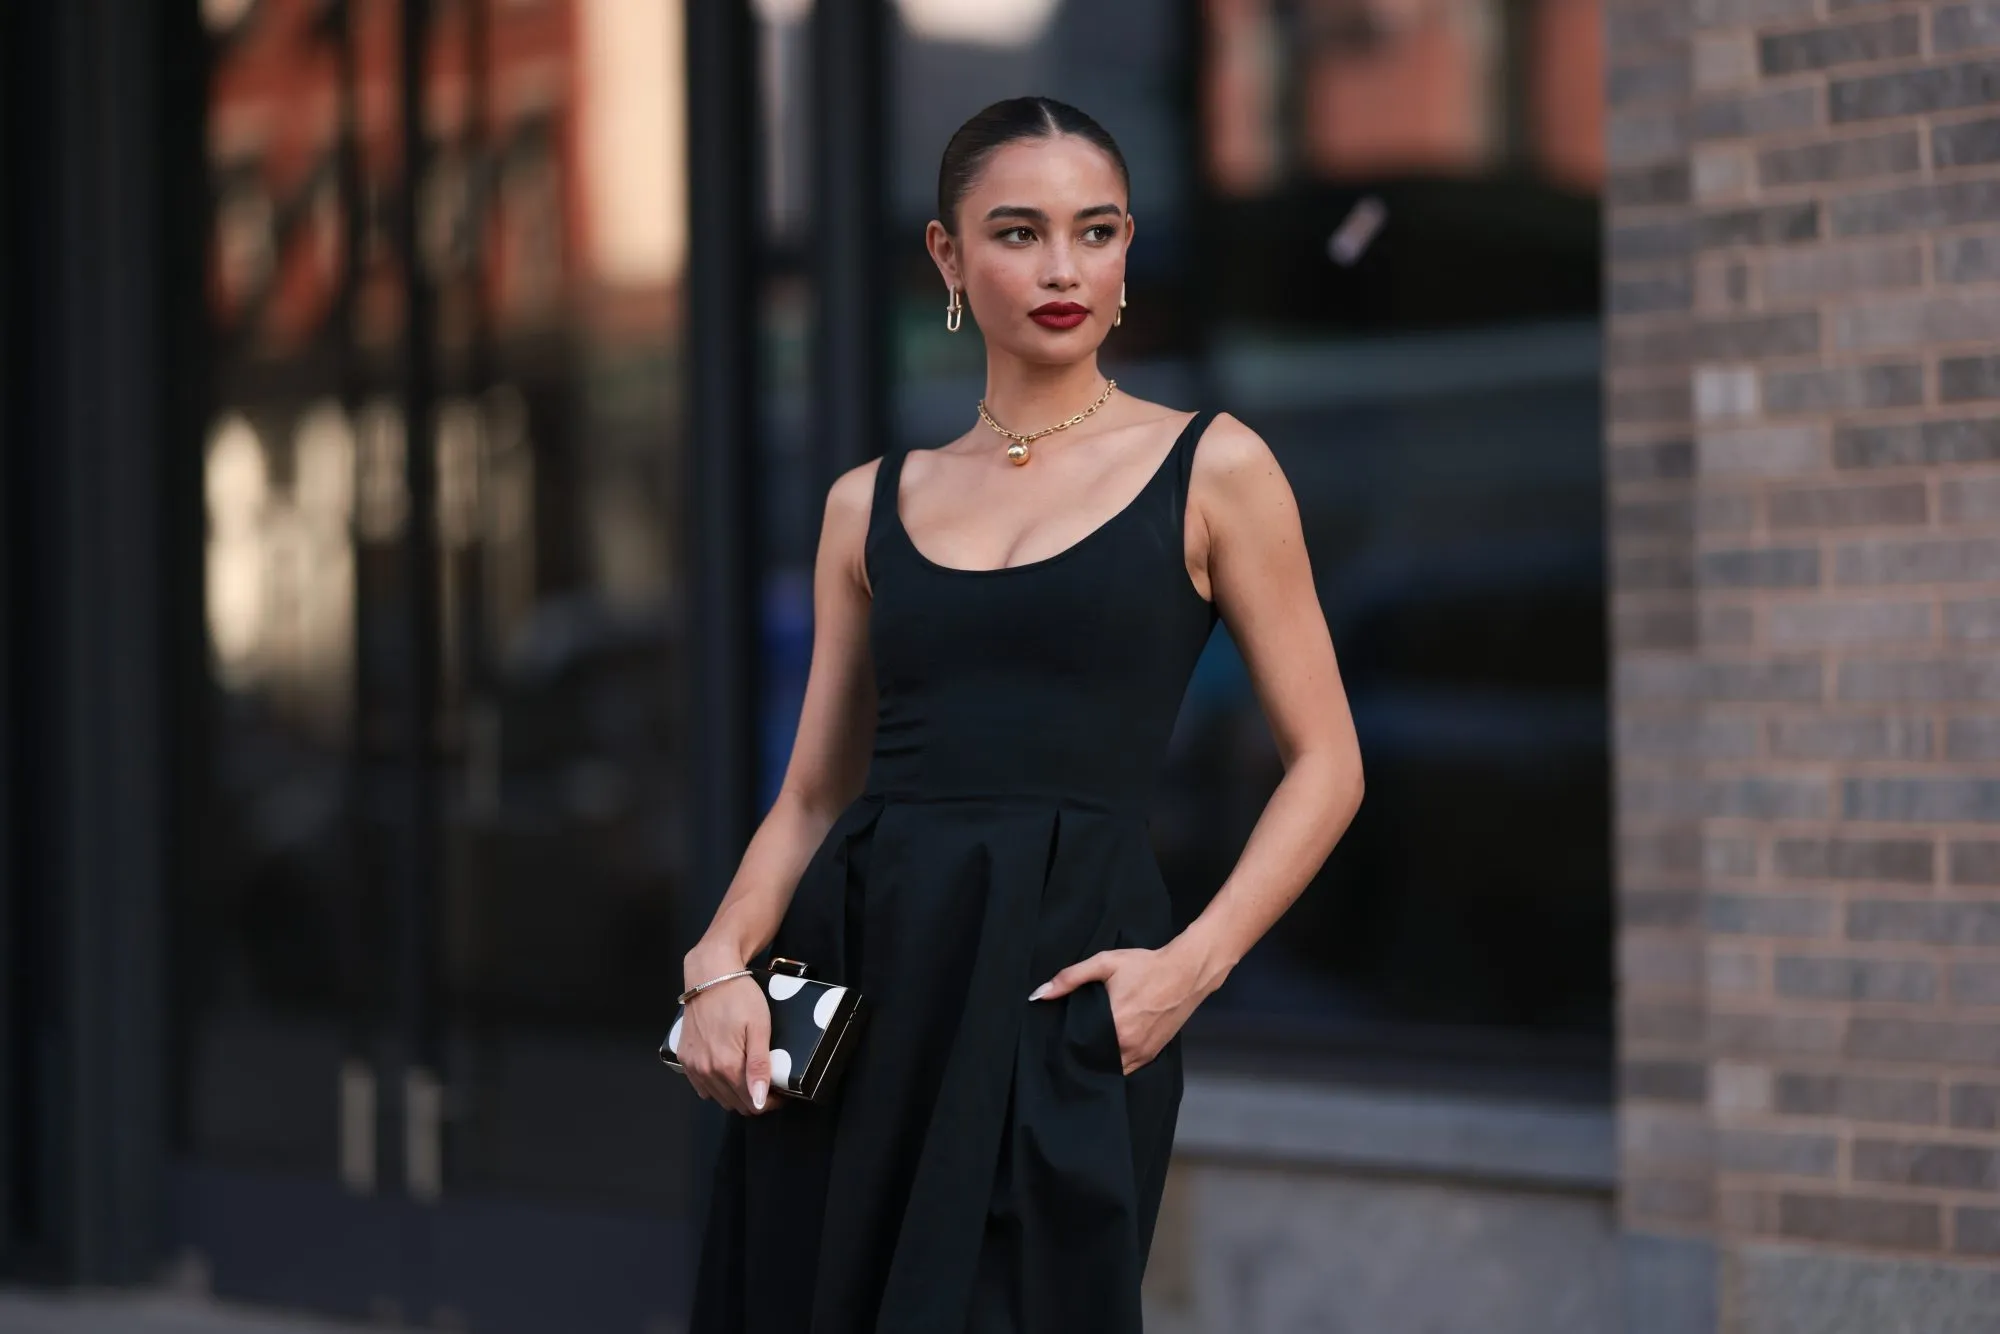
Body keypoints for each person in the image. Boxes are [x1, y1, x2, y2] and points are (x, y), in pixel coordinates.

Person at [678, 96, 1364, 1333]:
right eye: (1017, 232)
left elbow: (1326, 762)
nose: (1061, 268)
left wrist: (1186, 970)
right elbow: (817, 792)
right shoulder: (865, 503)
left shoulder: (1214, 467)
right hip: (856, 985)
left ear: (1125, 249)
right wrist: (718, 961)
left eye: (1094, 232)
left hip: (1061, 989)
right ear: (946, 257)